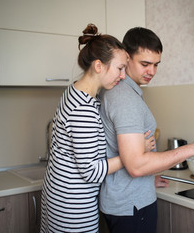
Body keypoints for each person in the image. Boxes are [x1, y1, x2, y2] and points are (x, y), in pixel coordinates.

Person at [98, 27, 194, 233]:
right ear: (126, 57)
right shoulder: (124, 98)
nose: (152, 71)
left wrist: (147, 179)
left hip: (127, 200)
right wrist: (193, 149)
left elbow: (128, 156)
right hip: (131, 206)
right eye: (145, 64)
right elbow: (135, 165)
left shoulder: (126, 92)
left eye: (155, 64)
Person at [40, 23, 128, 233]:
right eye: (120, 68)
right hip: (72, 207)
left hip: (59, 195)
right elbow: (92, 172)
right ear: (99, 66)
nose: (123, 75)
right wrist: (132, 154)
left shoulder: (74, 91)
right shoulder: (83, 109)